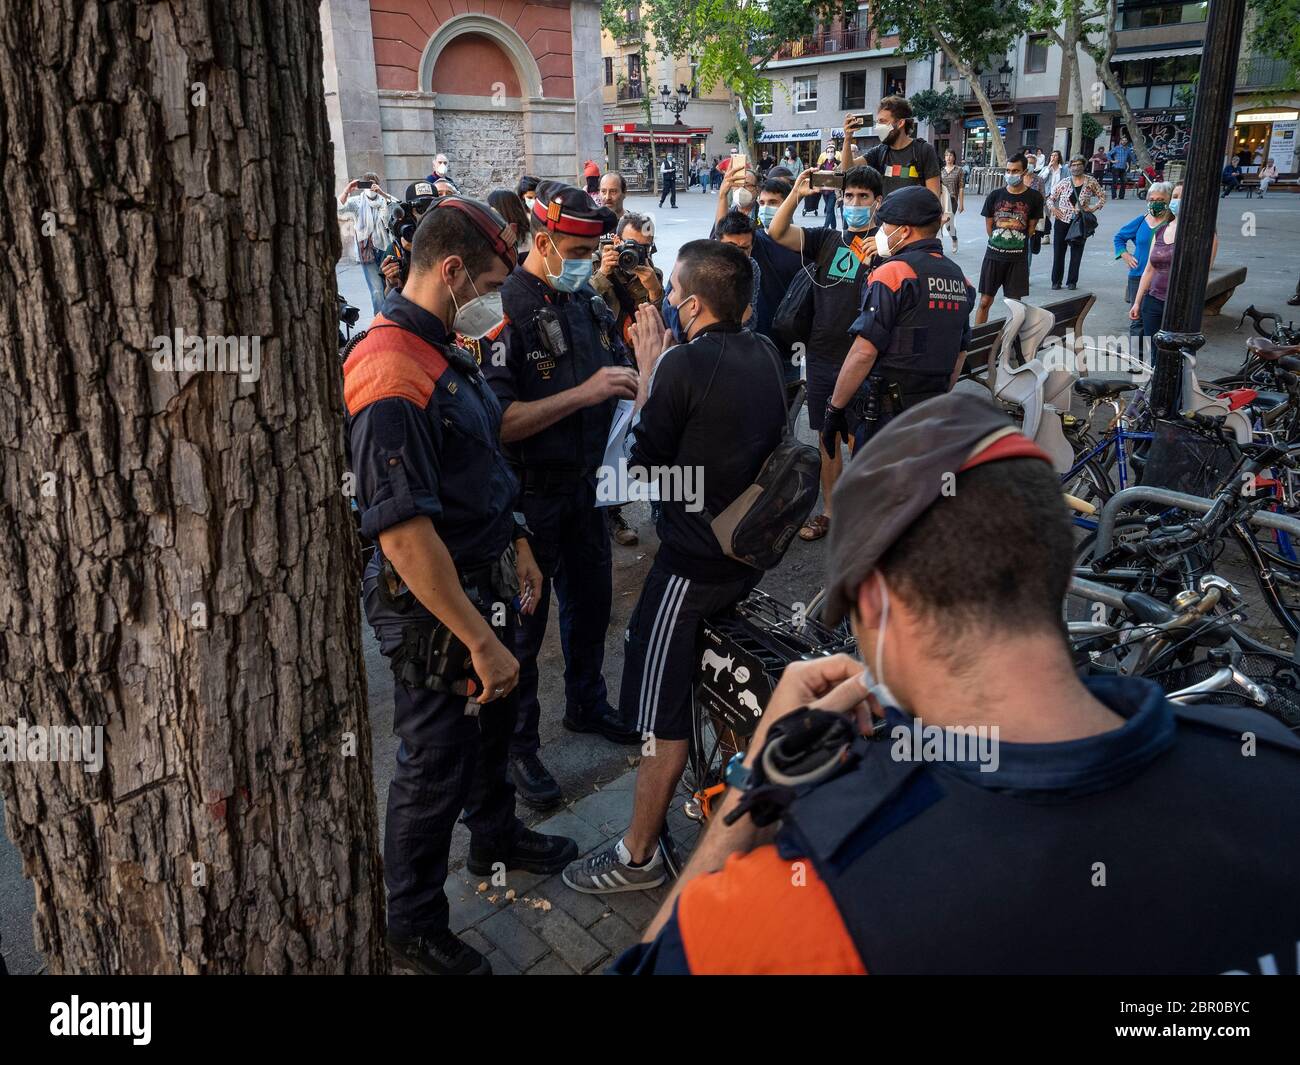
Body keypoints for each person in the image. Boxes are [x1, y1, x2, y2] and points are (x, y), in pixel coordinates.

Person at [613, 390, 1300, 975]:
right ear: (1057, 570)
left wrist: (753, 787)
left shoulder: (814, 901)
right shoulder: (1268, 764)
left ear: (877, 602)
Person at [344, 195, 578, 976]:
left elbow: (479, 459)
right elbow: (403, 532)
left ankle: (495, 840)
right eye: (489, 281)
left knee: (492, 730)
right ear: (450, 271)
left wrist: (516, 539)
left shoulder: (443, 342)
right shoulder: (387, 366)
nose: (497, 299)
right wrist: (478, 637)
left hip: (485, 575)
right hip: (433, 606)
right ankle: (411, 921)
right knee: (434, 756)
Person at [561, 242, 789, 896]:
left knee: (660, 712)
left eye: (673, 294)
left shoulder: (685, 363)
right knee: (719, 680)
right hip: (742, 557)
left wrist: (649, 367)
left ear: (691, 304)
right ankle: (725, 793)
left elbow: (641, 458)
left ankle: (638, 854)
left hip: (689, 569)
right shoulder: (767, 351)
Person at [485, 182, 642, 808]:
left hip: (587, 487)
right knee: (526, 622)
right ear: (544, 242)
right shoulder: (505, 307)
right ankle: (519, 749)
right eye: (579, 249)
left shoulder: (581, 301)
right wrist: (588, 393)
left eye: (595, 248)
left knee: (592, 601)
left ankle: (586, 702)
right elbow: (499, 421)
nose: (589, 259)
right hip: (529, 498)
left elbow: (613, 361)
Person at [766, 164, 885, 541]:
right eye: (849, 196)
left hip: (864, 359)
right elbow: (777, 232)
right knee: (827, 436)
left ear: (877, 203)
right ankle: (831, 513)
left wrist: (876, 261)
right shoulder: (828, 240)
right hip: (821, 355)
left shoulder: (888, 249)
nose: (854, 203)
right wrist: (796, 195)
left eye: (863, 198)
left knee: (860, 439)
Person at [823, 186, 974, 453]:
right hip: (933, 415)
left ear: (904, 231)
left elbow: (863, 352)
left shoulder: (893, 274)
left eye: (885, 225)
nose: (881, 232)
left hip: (886, 420)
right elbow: (959, 353)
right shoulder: (960, 278)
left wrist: (835, 408)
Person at [591, 209, 664, 550]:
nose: (634, 254)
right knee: (610, 445)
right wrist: (604, 273)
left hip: (644, 369)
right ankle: (611, 513)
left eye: (645, 246)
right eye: (630, 246)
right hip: (608, 370)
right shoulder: (595, 273)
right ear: (616, 242)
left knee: (649, 440)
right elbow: (593, 314)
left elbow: (667, 329)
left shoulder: (652, 275)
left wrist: (655, 291)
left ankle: (660, 505)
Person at [713, 166, 805, 383]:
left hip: (788, 346)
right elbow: (722, 238)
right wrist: (723, 196)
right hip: (754, 341)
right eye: (762, 203)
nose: (765, 209)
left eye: (773, 203)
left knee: (786, 404)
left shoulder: (805, 243)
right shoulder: (756, 239)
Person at [1130, 182, 1218, 351]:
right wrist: (1137, 302)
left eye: (1183, 197)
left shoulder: (1204, 233)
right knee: (1154, 352)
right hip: (1153, 301)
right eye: (1175, 197)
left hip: (1181, 304)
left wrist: (1191, 306)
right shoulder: (1161, 231)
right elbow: (1149, 270)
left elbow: (1202, 275)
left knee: (1180, 356)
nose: (1178, 201)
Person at [974, 153, 1044, 325]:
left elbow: (1031, 228)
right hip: (993, 257)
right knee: (984, 302)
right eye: (1008, 170)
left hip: (1017, 259)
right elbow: (989, 227)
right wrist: (1000, 242)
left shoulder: (1035, 198)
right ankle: (977, 339)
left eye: (1015, 171)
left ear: (1024, 171)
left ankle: (1012, 344)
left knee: (1016, 306)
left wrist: (1014, 241)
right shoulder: (995, 196)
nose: (1010, 174)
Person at [1113, 182, 1173, 360]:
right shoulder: (1141, 221)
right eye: (1152, 199)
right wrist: (1125, 255)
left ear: (1168, 200)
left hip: (1161, 279)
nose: (1156, 203)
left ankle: (1156, 359)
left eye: (1161, 200)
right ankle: (1136, 359)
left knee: (1156, 321)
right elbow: (1119, 237)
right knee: (1136, 318)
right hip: (1138, 275)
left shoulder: (1172, 223)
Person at [845, 98, 942, 201]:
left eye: (883, 121)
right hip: (886, 216)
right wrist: (847, 139)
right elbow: (848, 169)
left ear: (900, 123)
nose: (878, 127)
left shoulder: (923, 150)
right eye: (878, 122)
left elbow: (933, 195)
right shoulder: (880, 151)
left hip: (915, 216)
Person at [338, 173, 397, 314]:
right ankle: (379, 320)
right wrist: (347, 190)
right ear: (362, 186)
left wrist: (381, 193)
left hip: (385, 249)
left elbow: (398, 206)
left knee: (390, 287)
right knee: (377, 291)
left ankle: (392, 318)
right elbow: (339, 209)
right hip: (367, 250)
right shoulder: (358, 201)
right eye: (367, 184)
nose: (370, 187)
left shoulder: (384, 199)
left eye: (373, 183)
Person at [1046, 155, 1105, 291]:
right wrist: (1054, 209)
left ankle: (1072, 281)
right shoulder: (1064, 182)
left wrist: (1093, 208)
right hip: (1062, 220)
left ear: (1084, 166)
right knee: (1059, 252)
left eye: (1079, 164)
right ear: (1070, 167)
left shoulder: (1091, 181)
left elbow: (1102, 196)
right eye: (1073, 165)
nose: (1076, 167)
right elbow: (1050, 198)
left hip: (1080, 221)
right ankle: (1056, 281)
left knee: (1076, 252)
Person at [379, 181, 439, 296]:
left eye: (431, 207)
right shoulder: (396, 248)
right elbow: (387, 297)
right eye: (420, 208)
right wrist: (392, 283)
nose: (426, 214)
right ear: (410, 212)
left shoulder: (448, 242)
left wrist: (417, 251)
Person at [939, 149, 964, 252]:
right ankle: (938, 244)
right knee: (938, 222)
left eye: (950, 155)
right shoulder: (941, 170)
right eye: (946, 155)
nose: (948, 158)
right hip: (941, 199)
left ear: (954, 157)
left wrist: (961, 204)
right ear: (944, 158)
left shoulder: (959, 170)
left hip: (952, 200)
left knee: (948, 223)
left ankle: (954, 239)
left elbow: (961, 187)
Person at [816, 142, 841, 228]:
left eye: (832, 151)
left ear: (834, 153)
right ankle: (833, 228)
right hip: (825, 191)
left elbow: (842, 176)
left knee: (829, 210)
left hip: (833, 191)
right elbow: (819, 177)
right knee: (831, 211)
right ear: (826, 153)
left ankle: (825, 227)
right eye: (828, 152)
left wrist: (837, 170)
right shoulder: (823, 165)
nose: (830, 153)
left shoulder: (838, 163)